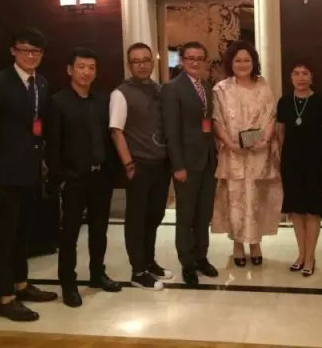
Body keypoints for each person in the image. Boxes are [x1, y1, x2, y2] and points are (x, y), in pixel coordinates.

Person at [0, 27, 58, 322]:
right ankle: (5, 297)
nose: (30, 56)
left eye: (36, 51)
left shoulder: (42, 83)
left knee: (23, 232)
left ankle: (21, 284)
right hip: (4, 173)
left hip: (30, 171)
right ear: (13, 51)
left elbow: (39, 126)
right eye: (25, 50)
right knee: (4, 236)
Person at [47, 47, 123, 308]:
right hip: (74, 179)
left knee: (99, 230)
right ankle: (68, 283)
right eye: (81, 67)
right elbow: (53, 145)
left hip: (101, 176)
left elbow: (110, 138)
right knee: (69, 234)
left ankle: (97, 274)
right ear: (70, 69)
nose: (86, 72)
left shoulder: (102, 100)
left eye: (91, 67)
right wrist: (60, 178)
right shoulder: (58, 102)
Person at [211, 40, 282, 267]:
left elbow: (271, 116)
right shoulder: (221, 89)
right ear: (230, 63)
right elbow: (216, 120)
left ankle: (255, 243)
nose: (242, 64)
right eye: (238, 60)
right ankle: (238, 244)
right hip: (233, 154)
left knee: (257, 200)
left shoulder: (263, 85)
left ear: (254, 62)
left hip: (259, 154)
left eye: (247, 60)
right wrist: (229, 143)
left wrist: (265, 140)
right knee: (234, 200)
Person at [110, 42, 171, 291]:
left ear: (153, 62)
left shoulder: (159, 90)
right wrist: (128, 163)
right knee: (136, 219)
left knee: (155, 216)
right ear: (129, 64)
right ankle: (138, 271)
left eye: (146, 60)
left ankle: (149, 261)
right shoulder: (121, 93)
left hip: (160, 164)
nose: (142, 65)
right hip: (138, 165)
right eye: (136, 61)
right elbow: (116, 131)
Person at [161, 41, 218, 286]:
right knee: (186, 215)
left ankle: (201, 257)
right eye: (190, 58)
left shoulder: (206, 86)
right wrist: (178, 165)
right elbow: (171, 131)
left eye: (199, 58)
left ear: (205, 62)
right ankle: (187, 263)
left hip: (208, 161)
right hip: (186, 163)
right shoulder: (172, 88)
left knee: (203, 214)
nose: (195, 62)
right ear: (182, 61)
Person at [276, 61, 322, 276]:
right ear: (291, 77)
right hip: (291, 161)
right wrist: (281, 159)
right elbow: (280, 133)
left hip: (315, 162)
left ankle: (310, 256)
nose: (300, 77)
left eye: (305, 73)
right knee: (296, 209)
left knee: (312, 210)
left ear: (311, 77)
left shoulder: (320, 102)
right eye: (296, 73)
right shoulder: (284, 102)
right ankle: (301, 253)